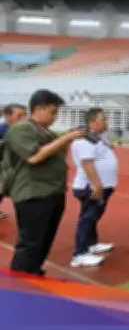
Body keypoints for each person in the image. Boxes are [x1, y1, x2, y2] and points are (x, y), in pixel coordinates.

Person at [2, 89, 85, 276]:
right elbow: (34, 157)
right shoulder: (22, 128)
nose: (55, 117)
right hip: (33, 193)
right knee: (30, 241)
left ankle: (33, 271)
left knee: (45, 239)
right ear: (38, 108)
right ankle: (20, 281)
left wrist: (67, 140)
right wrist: (67, 138)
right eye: (53, 112)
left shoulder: (46, 131)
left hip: (52, 192)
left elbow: (56, 155)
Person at [69, 107, 118, 268]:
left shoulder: (97, 137)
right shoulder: (85, 140)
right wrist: (96, 185)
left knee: (94, 216)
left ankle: (92, 244)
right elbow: (87, 163)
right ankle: (79, 254)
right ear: (92, 122)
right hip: (91, 186)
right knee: (88, 218)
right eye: (103, 119)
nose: (107, 122)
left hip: (102, 186)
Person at [0, 103, 27, 220]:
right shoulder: (2, 129)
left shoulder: (24, 129)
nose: (23, 118)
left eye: (25, 115)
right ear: (7, 115)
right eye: (19, 115)